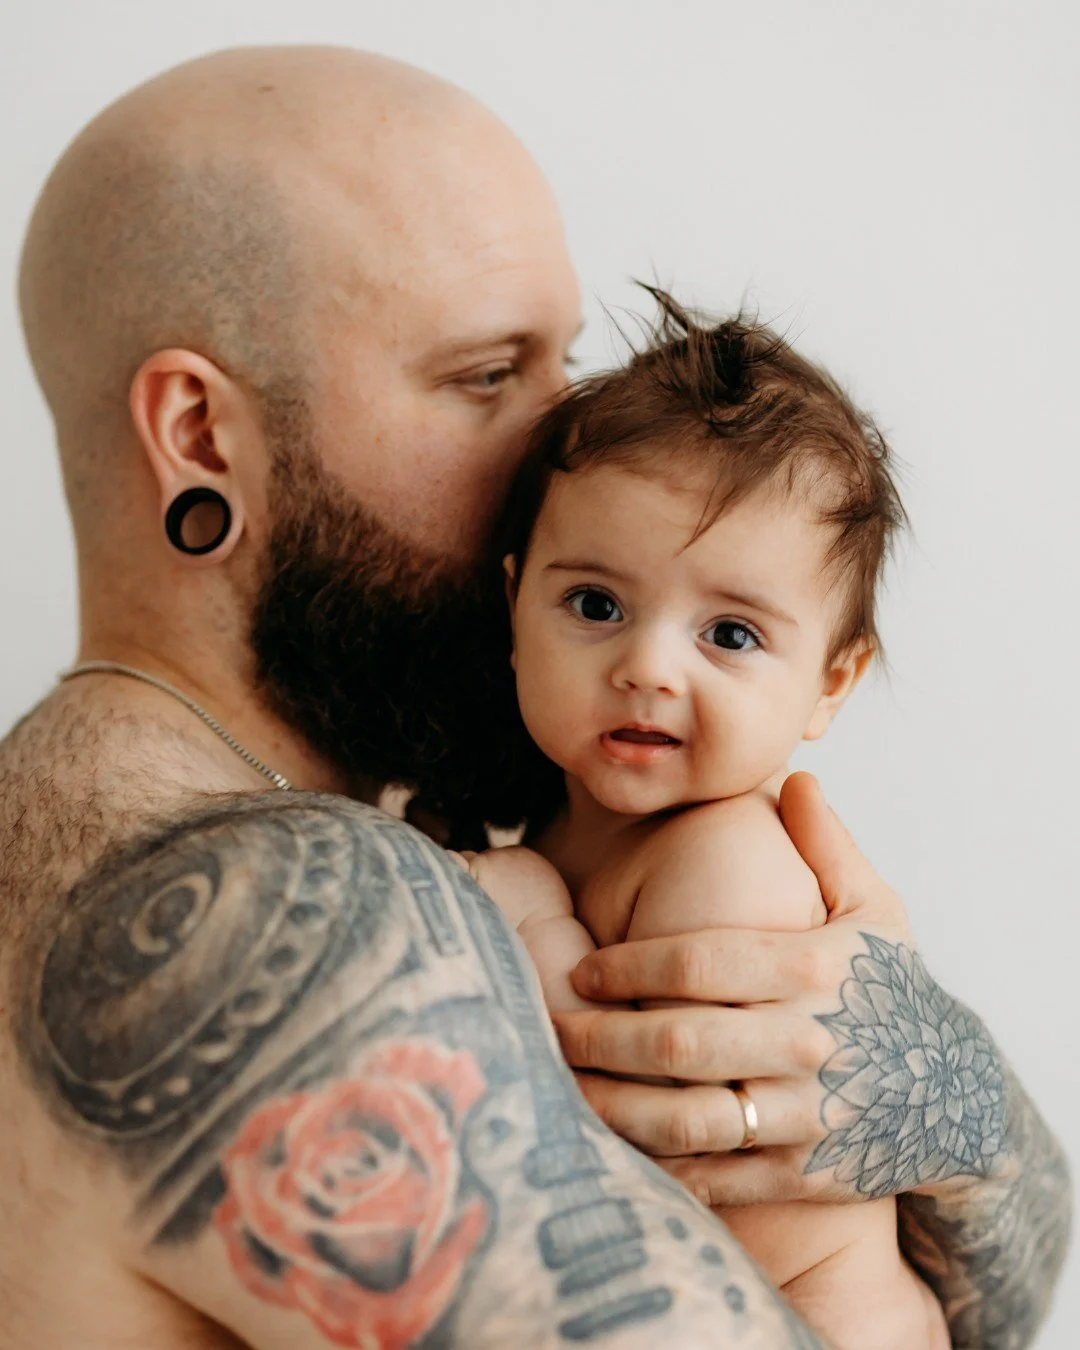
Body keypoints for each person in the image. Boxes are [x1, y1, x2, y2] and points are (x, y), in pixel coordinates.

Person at [0, 44, 1068, 1350]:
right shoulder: (279, 912)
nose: (567, 445)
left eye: (561, 366)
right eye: (487, 377)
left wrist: (938, 1081)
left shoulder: (110, 805)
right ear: (203, 436)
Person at [459, 294, 944, 1348]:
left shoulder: (726, 861)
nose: (646, 667)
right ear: (513, 612)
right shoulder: (563, 820)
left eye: (728, 633)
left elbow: (642, 1138)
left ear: (831, 682)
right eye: (595, 605)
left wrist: (536, 922)